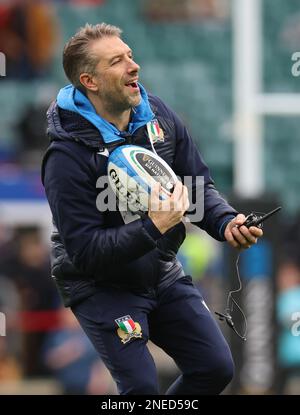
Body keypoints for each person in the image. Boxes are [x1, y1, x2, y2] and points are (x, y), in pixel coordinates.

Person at [41, 23, 263, 395]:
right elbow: (85, 251)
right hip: (100, 285)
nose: (133, 66)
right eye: (117, 61)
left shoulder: (157, 113)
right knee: (141, 389)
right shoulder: (65, 157)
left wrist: (225, 222)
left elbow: (196, 186)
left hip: (159, 271)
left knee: (215, 367)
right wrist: (153, 227)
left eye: (129, 55)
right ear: (90, 81)